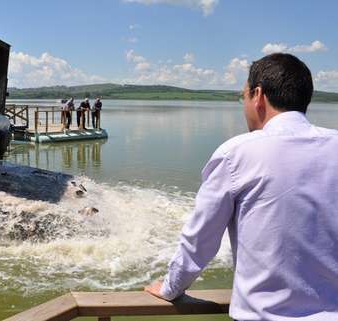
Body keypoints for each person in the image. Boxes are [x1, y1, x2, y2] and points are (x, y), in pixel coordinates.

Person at [145, 53, 338, 321]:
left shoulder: (236, 153)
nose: (244, 105)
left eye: (243, 96)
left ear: (258, 95)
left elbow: (201, 239)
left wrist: (170, 287)